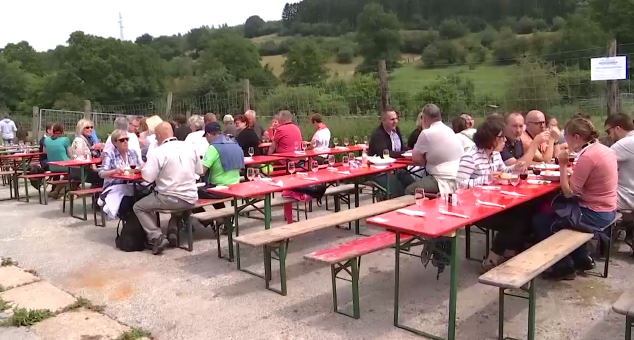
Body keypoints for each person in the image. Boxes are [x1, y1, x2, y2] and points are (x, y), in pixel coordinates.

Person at [533, 117, 618, 280]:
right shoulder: (604, 149)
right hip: (608, 208)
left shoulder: (588, 157)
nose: (567, 141)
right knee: (555, 208)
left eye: (568, 137)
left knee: (543, 220)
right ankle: (581, 258)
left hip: (595, 213)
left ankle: (564, 267)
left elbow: (569, 192)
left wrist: (563, 165)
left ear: (577, 137)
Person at [456, 117, 531, 271]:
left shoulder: (495, 154)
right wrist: (485, 179)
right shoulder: (471, 157)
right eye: (501, 137)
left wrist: (516, 168)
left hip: (493, 203)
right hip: (475, 209)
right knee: (512, 221)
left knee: (524, 211)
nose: (504, 140)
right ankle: (492, 257)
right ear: (490, 138)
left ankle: (510, 250)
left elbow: (503, 172)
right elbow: (459, 185)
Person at [134, 122, 203, 255]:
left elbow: (148, 177)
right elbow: (199, 171)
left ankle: (156, 236)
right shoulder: (189, 147)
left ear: (159, 135)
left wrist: (142, 169)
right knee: (173, 199)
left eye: (155, 136)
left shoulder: (158, 151)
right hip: (191, 197)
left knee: (139, 207)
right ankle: (172, 229)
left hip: (169, 198)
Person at [407, 104, 463, 195]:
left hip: (443, 178)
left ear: (424, 118)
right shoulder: (449, 130)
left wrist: (425, 159)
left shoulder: (426, 133)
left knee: (410, 190)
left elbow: (416, 159)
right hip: (459, 175)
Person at [367, 109, 414, 198]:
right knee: (399, 193)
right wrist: (404, 153)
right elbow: (385, 153)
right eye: (392, 119)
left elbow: (400, 147)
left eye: (396, 119)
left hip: (396, 168)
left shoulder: (396, 131)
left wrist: (411, 151)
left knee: (414, 186)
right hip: (380, 171)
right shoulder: (378, 134)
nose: (395, 121)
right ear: (383, 120)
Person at [98, 129, 142, 219]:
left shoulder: (133, 153)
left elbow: (141, 165)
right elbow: (101, 173)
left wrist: (140, 169)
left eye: (127, 139)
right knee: (126, 200)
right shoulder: (110, 154)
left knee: (143, 194)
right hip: (114, 185)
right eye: (122, 140)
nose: (125, 142)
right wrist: (114, 171)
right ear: (115, 143)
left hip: (131, 184)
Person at [605, 113, 634, 213]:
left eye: (608, 131)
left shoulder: (623, 144)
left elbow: (598, 160)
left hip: (628, 197)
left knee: (591, 196)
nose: (609, 135)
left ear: (617, 128)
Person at [71, 119, 103, 188]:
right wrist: (93, 164)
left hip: (86, 169)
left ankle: (97, 195)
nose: (90, 129)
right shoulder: (79, 141)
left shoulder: (88, 139)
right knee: (103, 176)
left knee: (104, 173)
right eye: (87, 127)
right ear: (81, 128)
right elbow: (79, 159)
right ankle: (97, 196)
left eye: (91, 127)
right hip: (80, 171)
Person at [43, 124, 72, 199]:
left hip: (52, 167)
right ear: (63, 131)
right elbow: (70, 154)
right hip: (64, 165)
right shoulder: (65, 140)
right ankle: (61, 190)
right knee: (74, 172)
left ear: (53, 131)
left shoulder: (46, 140)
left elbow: (44, 151)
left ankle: (56, 190)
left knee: (70, 172)